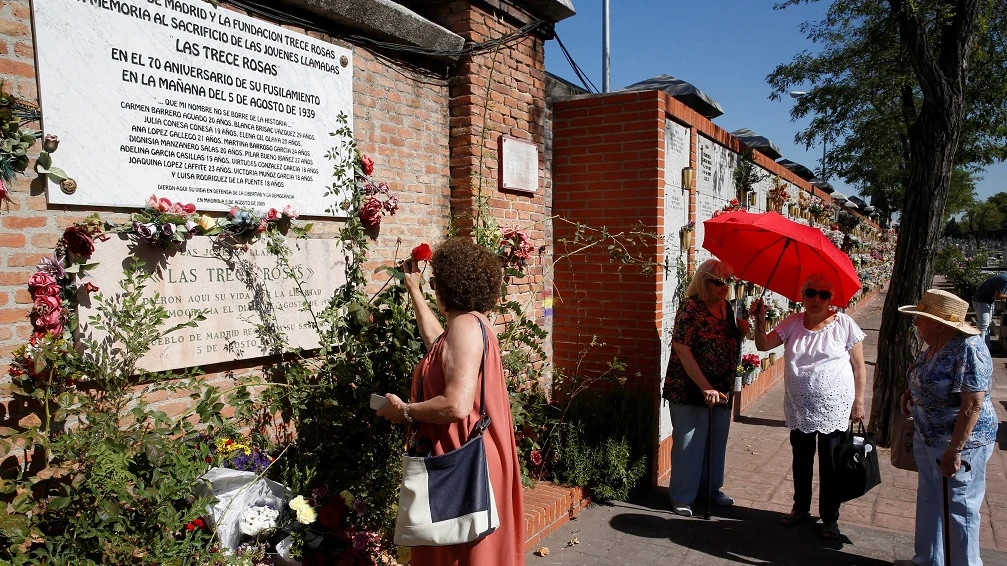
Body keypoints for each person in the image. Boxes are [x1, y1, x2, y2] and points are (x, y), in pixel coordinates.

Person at [377, 237, 525, 566]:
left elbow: (456, 406)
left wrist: (405, 411)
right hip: (473, 457)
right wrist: (414, 289)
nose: (434, 288)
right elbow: (438, 348)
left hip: (462, 461)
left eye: (434, 283)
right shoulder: (470, 325)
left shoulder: (464, 327)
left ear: (448, 285)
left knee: (457, 553)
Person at [752, 273, 867, 540]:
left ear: (831, 299)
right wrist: (759, 319)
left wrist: (859, 403)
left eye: (823, 294)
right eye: (811, 293)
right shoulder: (793, 322)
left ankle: (830, 517)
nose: (817, 299)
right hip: (799, 406)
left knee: (830, 464)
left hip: (835, 408)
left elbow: (859, 367)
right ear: (802, 296)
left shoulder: (844, 325)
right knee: (801, 461)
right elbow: (763, 345)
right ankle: (800, 508)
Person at [893, 289, 996, 566]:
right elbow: (930, 378)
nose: (916, 323)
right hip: (929, 436)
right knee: (931, 499)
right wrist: (911, 393)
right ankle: (928, 560)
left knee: (959, 507)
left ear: (940, 323)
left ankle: (964, 563)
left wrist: (955, 449)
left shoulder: (968, 348)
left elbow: (973, 402)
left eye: (921, 318)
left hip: (960, 443)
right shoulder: (937, 342)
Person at [662, 259, 749, 517]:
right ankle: (681, 496)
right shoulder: (691, 308)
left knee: (716, 441)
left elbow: (727, 343)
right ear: (703, 281)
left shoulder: (727, 308)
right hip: (690, 388)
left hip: (720, 390)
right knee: (689, 443)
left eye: (728, 282)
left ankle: (709, 490)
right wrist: (704, 386)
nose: (725, 287)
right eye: (719, 282)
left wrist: (742, 331)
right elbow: (682, 348)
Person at [971, 272, 1007, 348]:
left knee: (987, 325)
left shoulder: (1004, 277)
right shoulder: (1005, 280)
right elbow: (998, 296)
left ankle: (987, 347)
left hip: (987, 301)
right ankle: (980, 349)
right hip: (981, 301)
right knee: (983, 325)